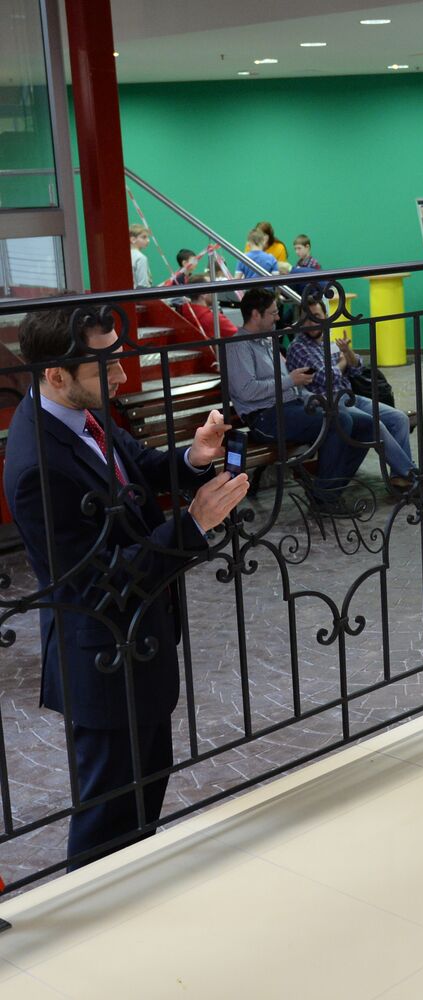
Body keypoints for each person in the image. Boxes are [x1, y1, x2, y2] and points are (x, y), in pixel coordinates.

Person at [3, 305, 249, 868]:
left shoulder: (77, 413)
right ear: (56, 374)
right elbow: (95, 585)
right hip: (102, 659)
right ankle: (90, 921)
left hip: (137, 644)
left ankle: (131, 896)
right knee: (108, 816)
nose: (122, 375)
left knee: (143, 796)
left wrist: (195, 456)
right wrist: (192, 525)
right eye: (106, 364)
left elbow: (135, 465)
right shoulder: (38, 464)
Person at [223, 287, 366, 504]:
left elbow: (290, 384)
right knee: (340, 419)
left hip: (291, 407)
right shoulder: (238, 345)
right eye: (273, 313)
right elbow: (247, 390)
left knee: (364, 424)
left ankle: (327, 487)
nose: (278, 317)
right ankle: (325, 498)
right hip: (265, 417)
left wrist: (308, 393)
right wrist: (291, 380)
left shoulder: (266, 341)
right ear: (255, 314)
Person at [286, 298, 416, 490]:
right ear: (299, 321)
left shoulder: (328, 343)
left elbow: (356, 369)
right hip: (327, 405)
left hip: (349, 398)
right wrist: (342, 362)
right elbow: (324, 378)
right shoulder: (298, 347)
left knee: (399, 419)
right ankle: (412, 475)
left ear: (325, 318)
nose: (312, 323)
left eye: (317, 317)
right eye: (307, 319)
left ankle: (399, 477)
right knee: (375, 426)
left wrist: (348, 353)